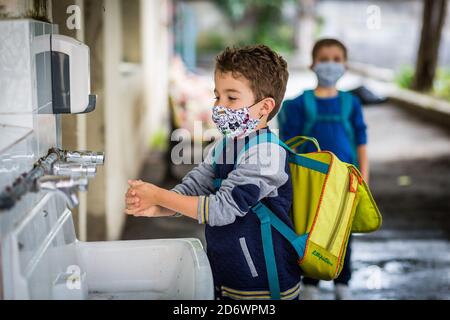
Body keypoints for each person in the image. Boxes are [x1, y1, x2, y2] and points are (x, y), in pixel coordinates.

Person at [124, 45, 302, 300]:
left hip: (265, 285)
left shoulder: (267, 155)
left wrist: (160, 196)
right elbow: (195, 186)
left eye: (231, 98)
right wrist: (156, 206)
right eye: (217, 96)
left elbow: (222, 209)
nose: (219, 106)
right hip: (229, 277)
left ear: (264, 107)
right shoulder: (226, 144)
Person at [278, 38, 369, 300]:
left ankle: (343, 281)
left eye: (336, 59)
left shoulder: (352, 104)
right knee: (311, 229)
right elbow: (288, 148)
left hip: (345, 183)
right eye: (324, 59)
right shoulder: (297, 105)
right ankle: (310, 282)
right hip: (311, 183)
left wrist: (364, 178)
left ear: (345, 65)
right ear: (312, 64)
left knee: (343, 232)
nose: (330, 65)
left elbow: (361, 142)